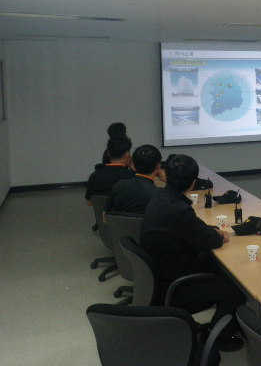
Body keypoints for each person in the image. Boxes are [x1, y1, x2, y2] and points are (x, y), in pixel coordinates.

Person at [140, 154, 246, 351]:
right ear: (193, 183)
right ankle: (218, 337)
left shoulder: (161, 197)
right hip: (175, 284)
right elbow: (212, 241)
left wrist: (209, 231)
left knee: (218, 266)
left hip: (163, 273)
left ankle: (227, 321)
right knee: (236, 287)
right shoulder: (179, 210)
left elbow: (193, 229)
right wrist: (217, 234)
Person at [104, 144, 162, 215]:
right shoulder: (159, 195)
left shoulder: (117, 187)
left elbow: (105, 216)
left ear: (133, 165)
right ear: (158, 167)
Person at [85, 136, 134, 205]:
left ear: (108, 153)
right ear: (127, 155)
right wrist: (133, 168)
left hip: (103, 212)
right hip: (126, 211)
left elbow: (89, 202)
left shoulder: (94, 176)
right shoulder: (132, 177)